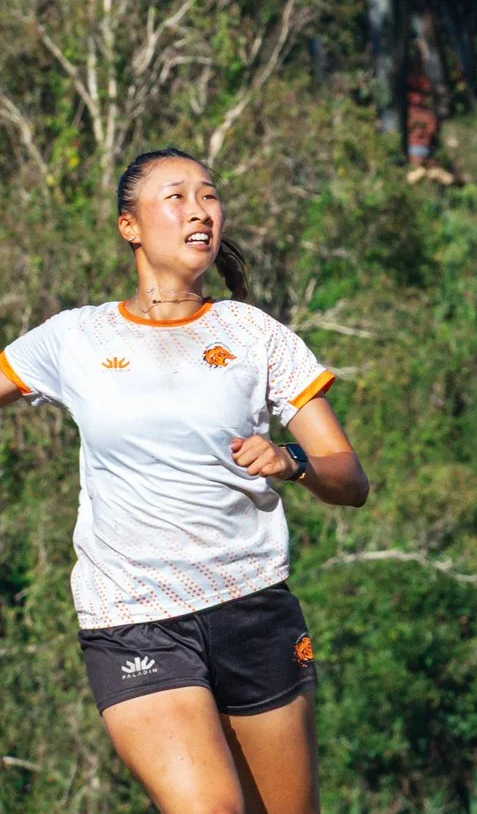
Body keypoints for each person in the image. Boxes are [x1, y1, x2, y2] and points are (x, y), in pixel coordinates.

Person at [0, 147, 370, 814]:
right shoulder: (74, 337)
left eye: (210, 195)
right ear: (129, 226)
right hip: (135, 619)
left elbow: (349, 475)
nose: (200, 210)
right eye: (176, 196)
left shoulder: (254, 334)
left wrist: (293, 459)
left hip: (252, 605)